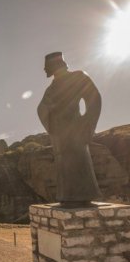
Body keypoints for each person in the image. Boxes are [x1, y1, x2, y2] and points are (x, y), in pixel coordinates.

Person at [37, 52, 102, 207]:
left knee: (79, 160)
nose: (45, 70)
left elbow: (94, 99)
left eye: (46, 67)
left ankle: (84, 195)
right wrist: (53, 130)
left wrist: (87, 124)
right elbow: (41, 109)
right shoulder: (51, 88)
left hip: (75, 128)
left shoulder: (78, 77)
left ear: (53, 66)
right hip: (60, 133)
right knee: (65, 165)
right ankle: (67, 196)